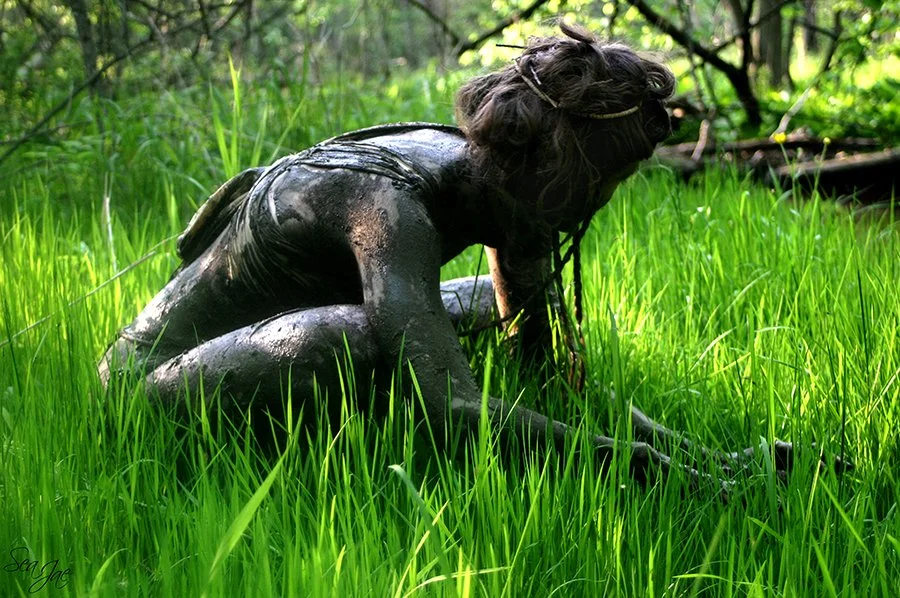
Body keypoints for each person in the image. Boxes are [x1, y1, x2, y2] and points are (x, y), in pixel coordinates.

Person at [99, 23, 802, 484]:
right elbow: (448, 404)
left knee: (470, 307)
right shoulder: (388, 207)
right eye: (607, 184)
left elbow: (548, 367)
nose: (605, 203)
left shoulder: (512, 179)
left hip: (285, 324)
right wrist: (664, 476)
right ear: (565, 174)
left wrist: (712, 457)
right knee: (367, 339)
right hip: (152, 384)